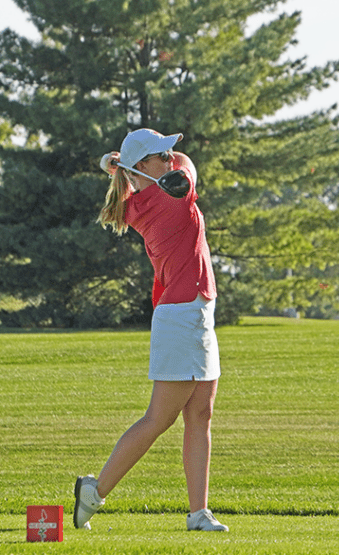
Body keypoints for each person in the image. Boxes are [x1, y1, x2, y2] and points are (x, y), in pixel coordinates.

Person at [74, 128, 228, 532]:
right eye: (163, 153)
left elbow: (156, 170)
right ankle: (95, 490)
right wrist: (118, 165)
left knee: (200, 413)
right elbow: (188, 165)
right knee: (159, 418)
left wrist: (115, 167)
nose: (172, 155)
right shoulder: (171, 193)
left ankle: (199, 513)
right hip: (182, 316)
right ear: (145, 166)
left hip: (193, 313)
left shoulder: (137, 200)